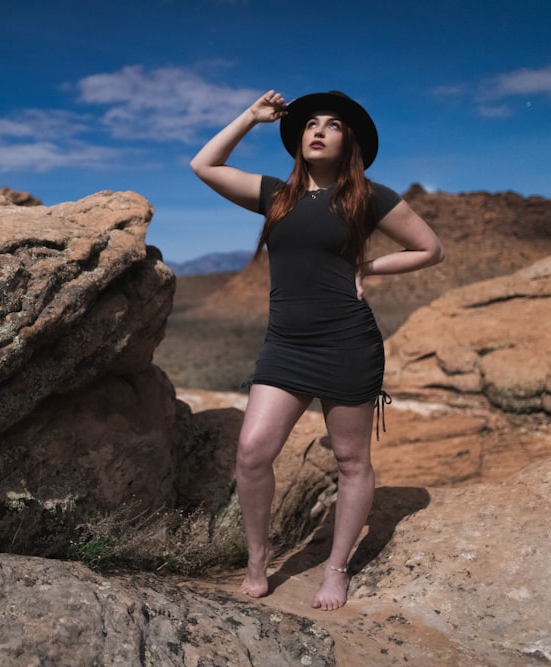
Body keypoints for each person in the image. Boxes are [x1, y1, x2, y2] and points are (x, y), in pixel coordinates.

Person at [190, 89, 443, 610]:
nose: (318, 130)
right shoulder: (274, 195)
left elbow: (429, 249)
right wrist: (251, 118)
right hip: (285, 344)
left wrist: (366, 268)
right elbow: (204, 164)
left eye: (332, 125)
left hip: (347, 342)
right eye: (310, 124)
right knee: (253, 452)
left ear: (347, 140)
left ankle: (335, 567)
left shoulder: (368, 196)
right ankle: (258, 558)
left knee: (352, 460)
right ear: (299, 138)